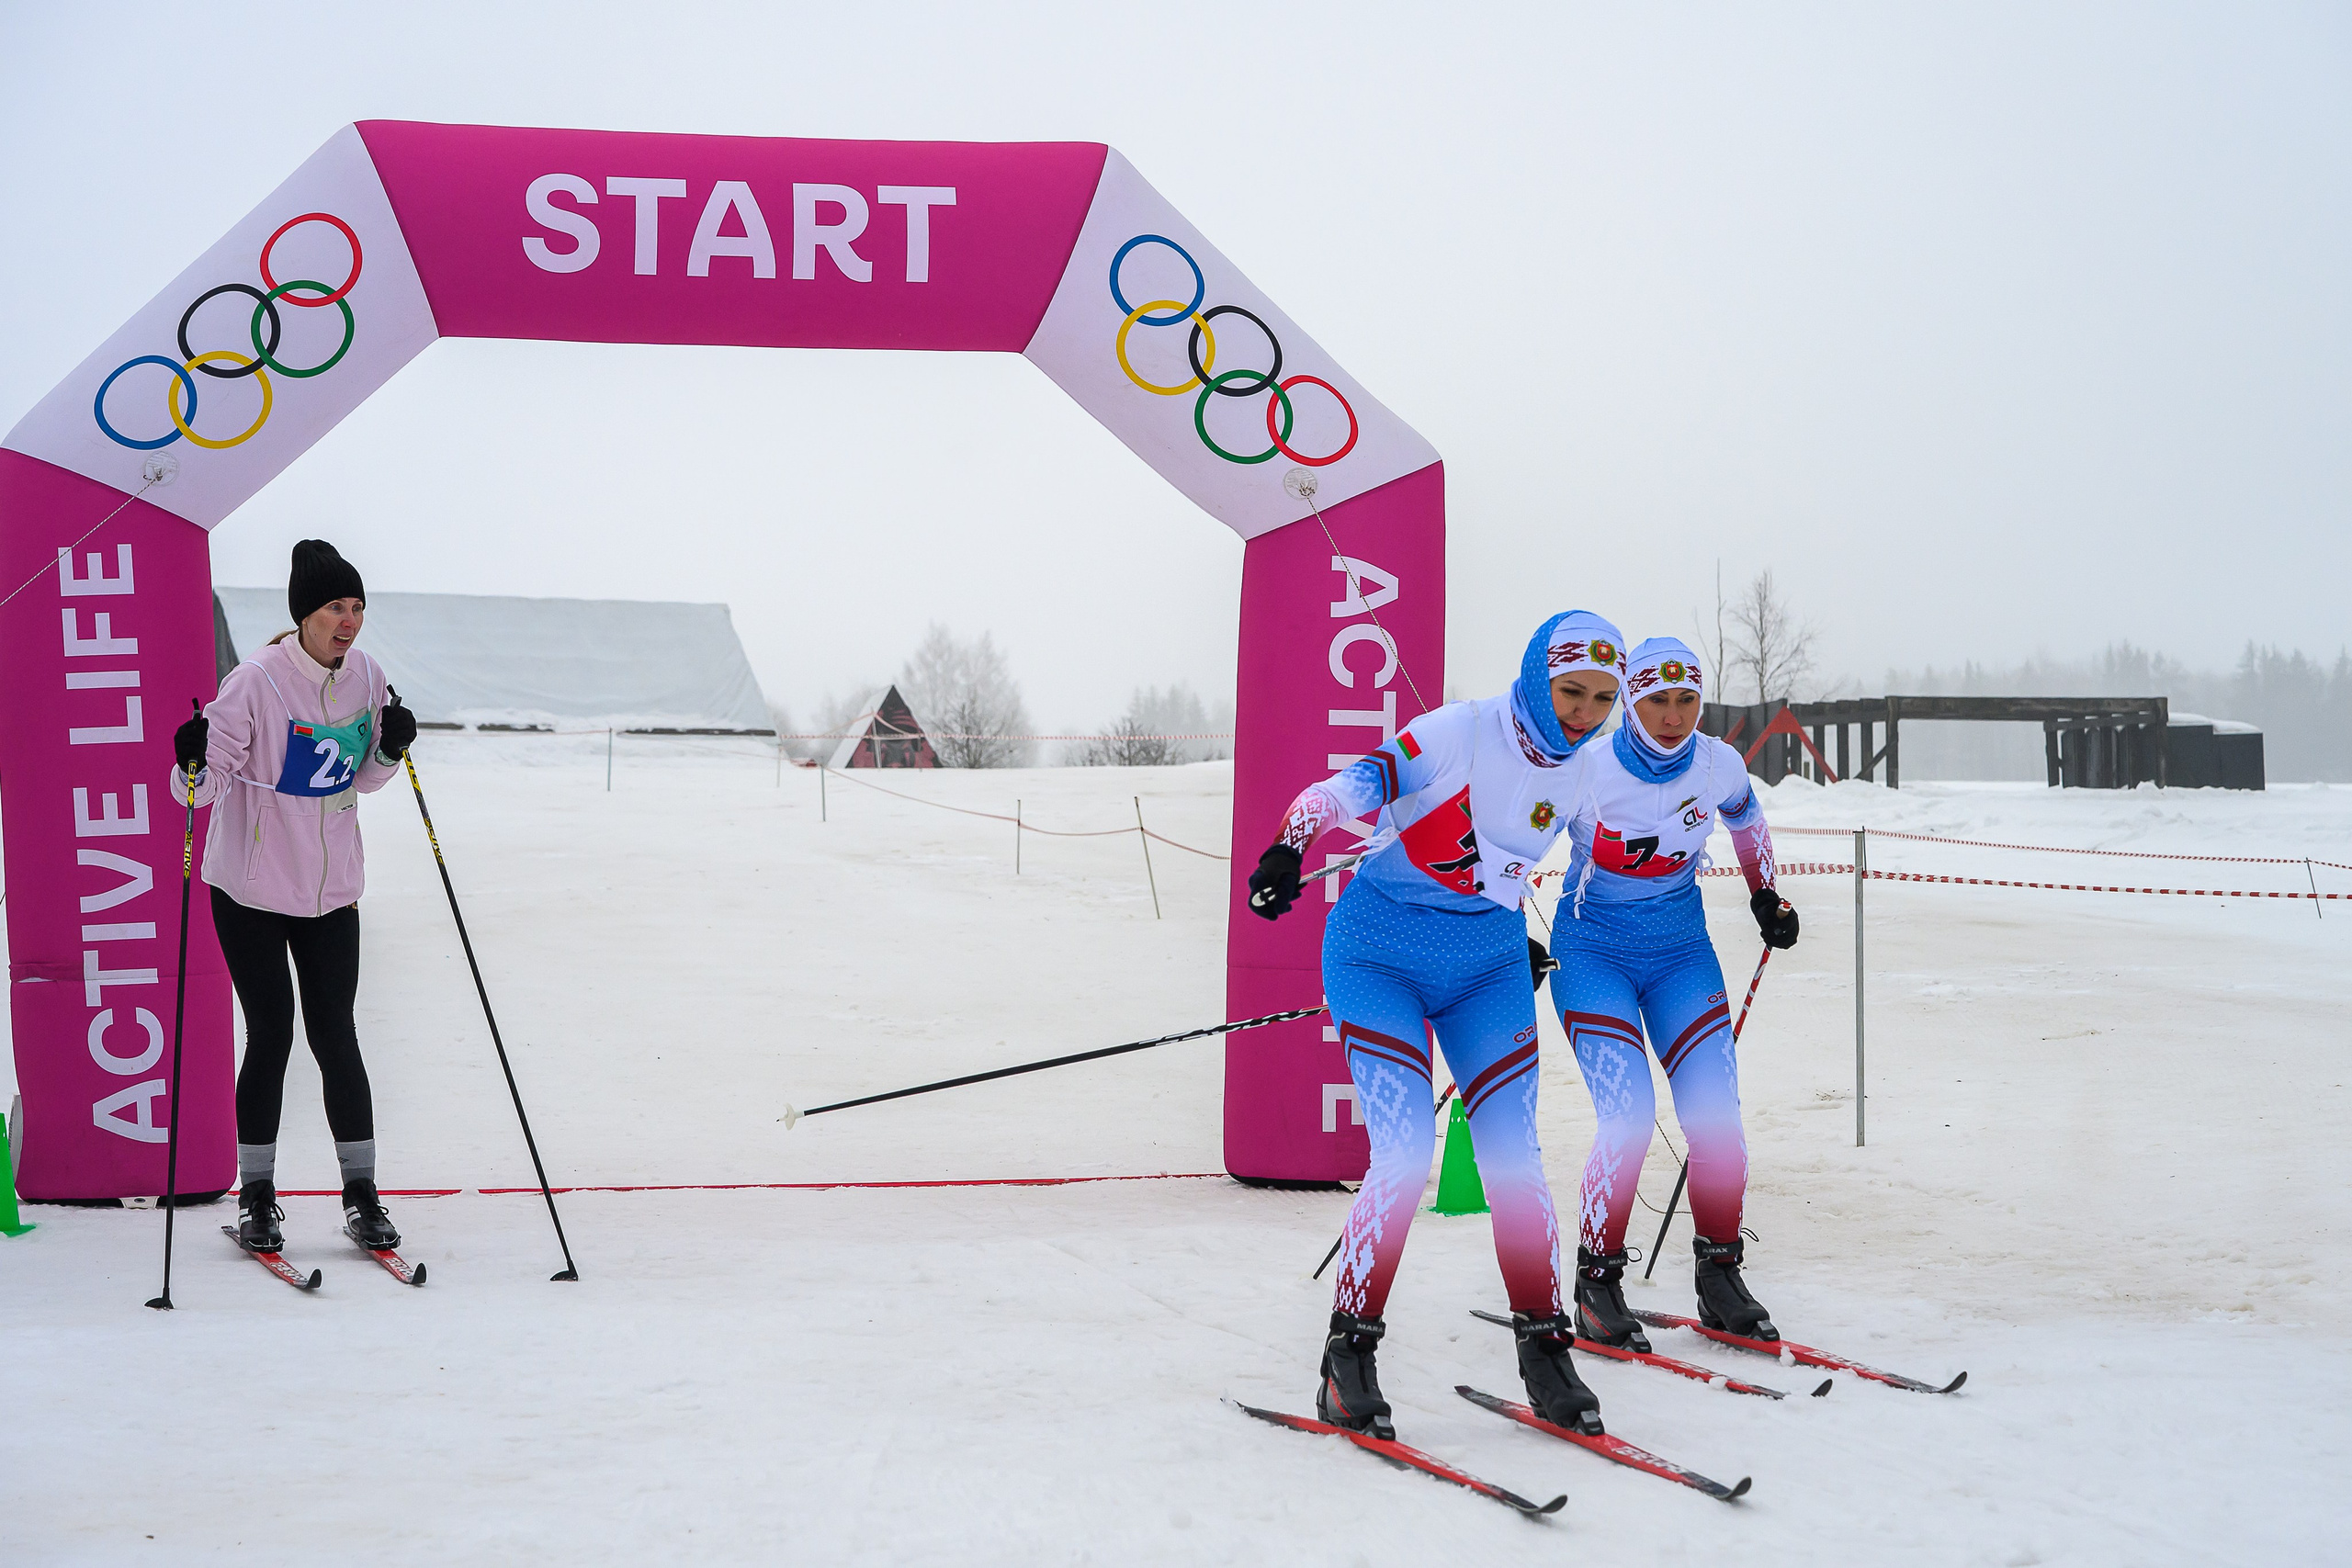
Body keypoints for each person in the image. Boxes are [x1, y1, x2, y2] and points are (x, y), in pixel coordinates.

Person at [1247, 611, 1626, 1439]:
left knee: (1514, 1156)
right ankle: (1348, 1353)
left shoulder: (1586, 771)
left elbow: (1583, 877)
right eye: (1570, 692)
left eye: (1602, 698)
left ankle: (1544, 1346)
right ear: (1536, 675)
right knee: (1408, 1150)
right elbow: (1350, 787)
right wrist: (1289, 846)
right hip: (1378, 953)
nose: (1583, 714)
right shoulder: (1459, 730)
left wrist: (1535, 936)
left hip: (1484, 966)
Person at [1542, 637, 1799, 1353]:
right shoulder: (1586, 767)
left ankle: (1720, 1275)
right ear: (1629, 697)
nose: (1672, 715)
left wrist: (1764, 895)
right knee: (1627, 1118)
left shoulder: (1717, 762)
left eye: (1687, 699)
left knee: (1718, 1122)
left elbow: (1747, 821)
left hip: (1682, 954)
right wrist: (1501, 931)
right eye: (1656, 698)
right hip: (1593, 953)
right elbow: (1510, 847)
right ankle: (1597, 1285)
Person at [170, 541, 418, 1256]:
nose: (351, 620)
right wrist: (189, 758)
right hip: (250, 889)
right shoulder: (256, 682)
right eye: (337, 607)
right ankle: (257, 1196)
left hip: (330, 889)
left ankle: (363, 1194)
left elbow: (360, 780)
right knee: (273, 1031)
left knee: (336, 1034)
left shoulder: (365, 677)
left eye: (358, 606)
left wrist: (389, 750)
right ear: (304, 614)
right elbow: (201, 789)